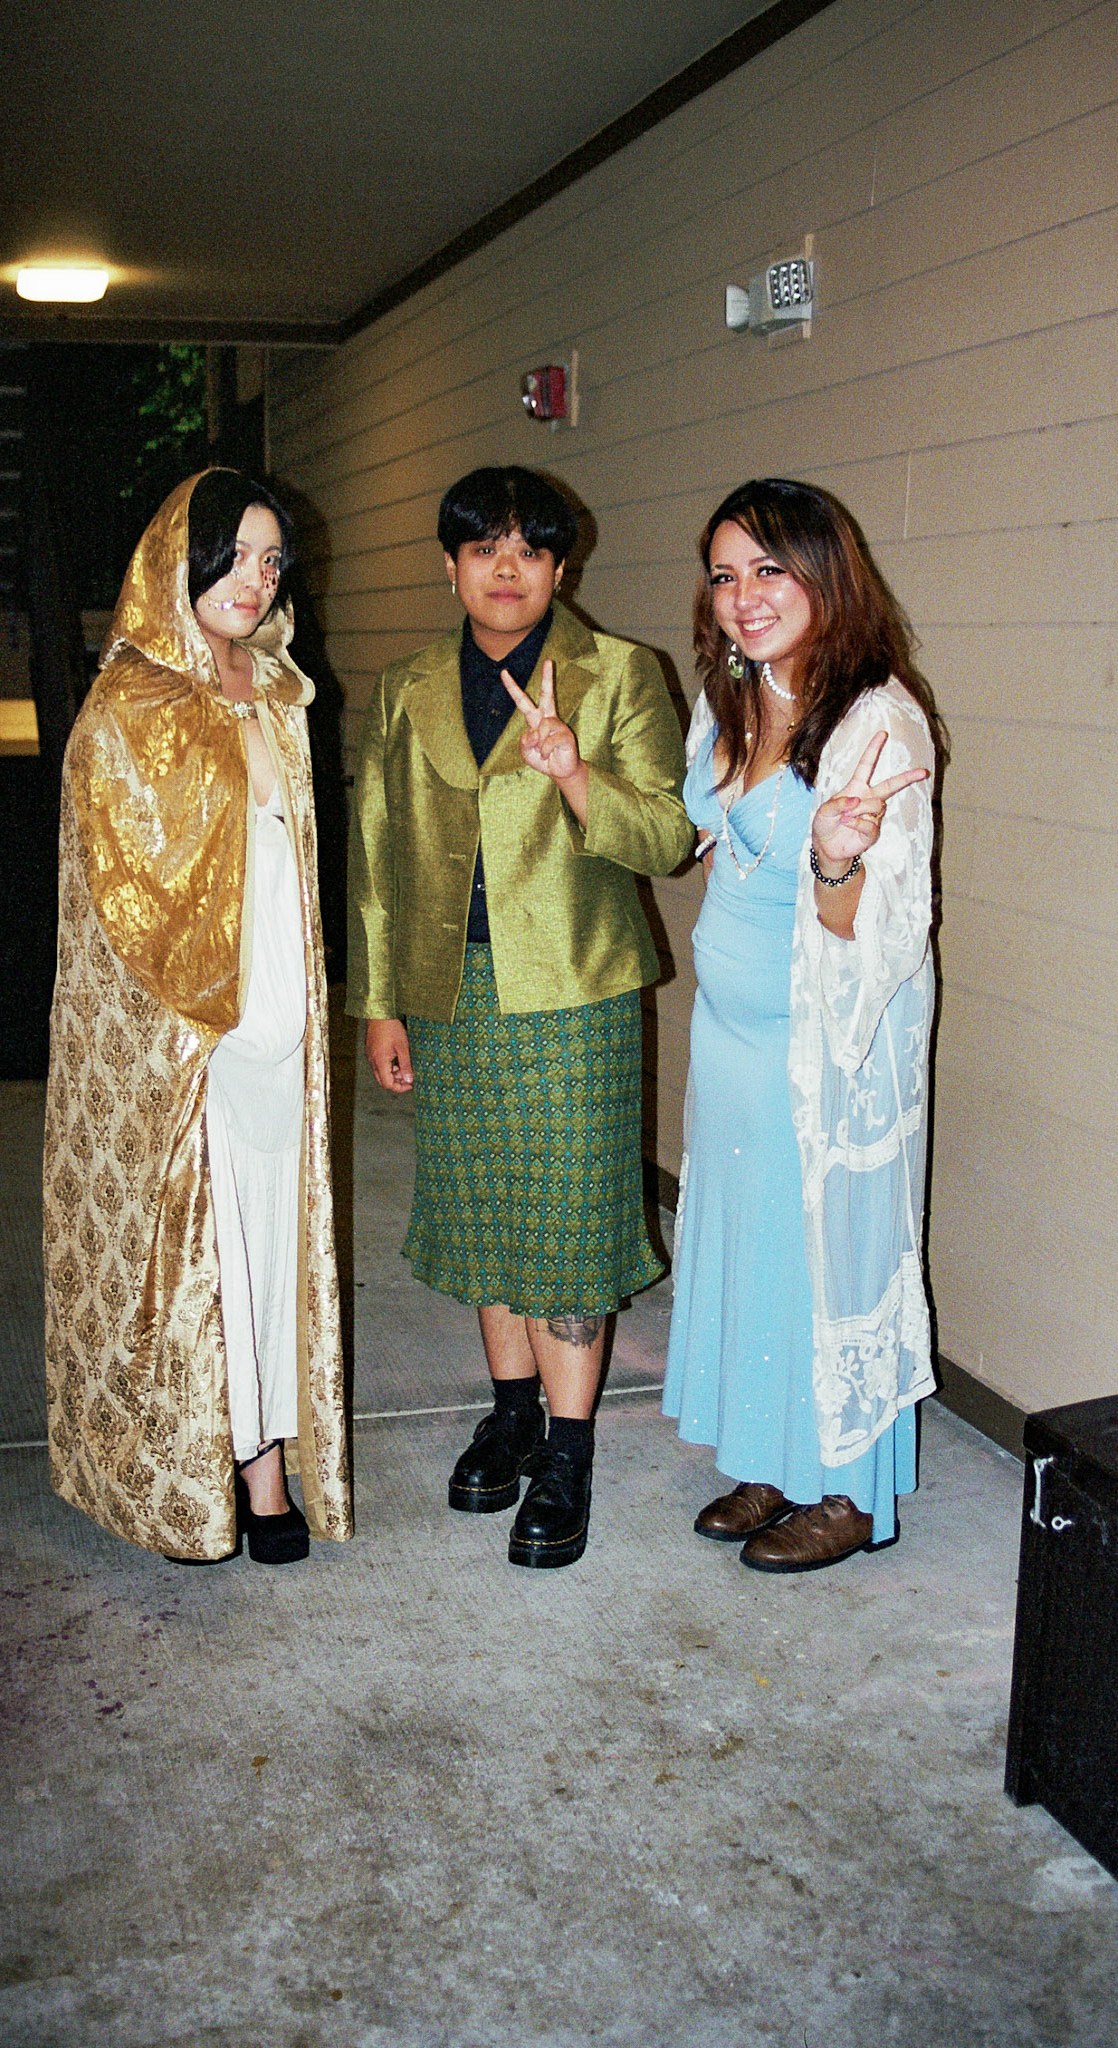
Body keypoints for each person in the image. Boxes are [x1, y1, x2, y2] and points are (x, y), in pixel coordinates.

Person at [348, 465, 691, 1568]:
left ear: (560, 566)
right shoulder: (406, 685)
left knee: (571, 1219)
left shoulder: (618, 674)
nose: (507, 569)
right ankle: (512, 1413)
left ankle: (570, 1449)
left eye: (530, 550)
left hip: (575, 993)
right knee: (484, 1209)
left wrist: (577, 773)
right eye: (483, 548)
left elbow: (667, 838)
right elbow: (376, 850)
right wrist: (381, 1002)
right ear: (449, 565)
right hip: (450, 992)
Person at [44, 469, 352, 1565]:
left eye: (271, 561)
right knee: (208, 1253)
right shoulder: (130, 705)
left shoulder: (278, 684)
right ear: (179, 561)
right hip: (194, 1034)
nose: (253, 580)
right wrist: (195, 1025)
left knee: (270, 1237)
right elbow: (118, 906)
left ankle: (265, 1456)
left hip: (282, 1016)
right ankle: (222, 1468)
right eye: (233, 556)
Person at [662, 477, 944, 1572]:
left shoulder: (877, 719)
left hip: (822, 1046)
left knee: (830, 1254)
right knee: (757, 1244)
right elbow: (712, 842)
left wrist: (833, 857)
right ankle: (774, 1454)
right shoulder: (731, 695)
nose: (744, 596)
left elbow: (876, 933)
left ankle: (853, 1492)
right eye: (725, 575)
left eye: (769, 569)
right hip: (729, 1033)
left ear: (826, 574)